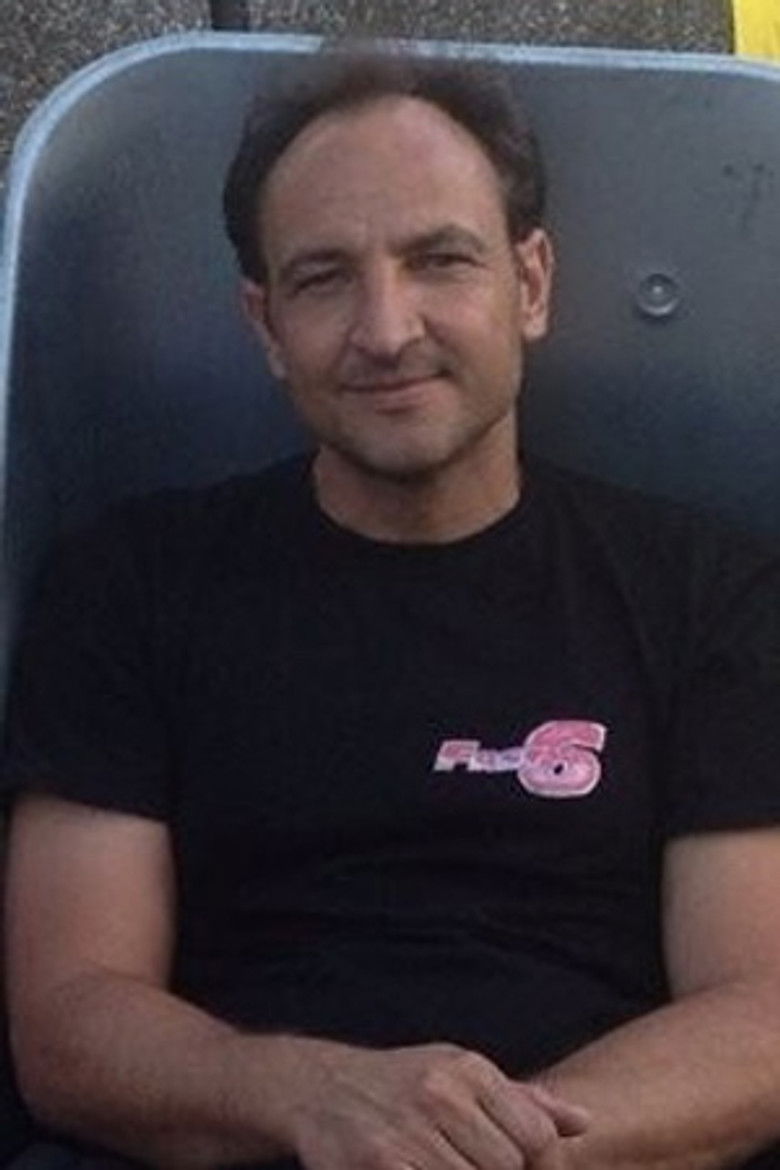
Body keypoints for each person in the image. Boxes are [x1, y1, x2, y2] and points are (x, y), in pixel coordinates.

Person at [4, 48, 780, 1170]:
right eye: (324, 278)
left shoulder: (708, 593)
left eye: (439, 260)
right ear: (266, 325)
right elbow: (71, 1020)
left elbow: (758, 1018)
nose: (386, 328)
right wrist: (315, 1098)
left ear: (531, 285)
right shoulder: (130, 586)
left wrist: (480, 1149)